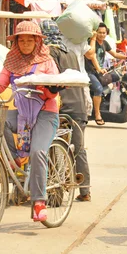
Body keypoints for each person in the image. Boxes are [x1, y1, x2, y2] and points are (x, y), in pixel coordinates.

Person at [0, 21, 61, 223]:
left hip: (45, 114)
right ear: (16, 42)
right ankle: (14, 161)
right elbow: (0, 83)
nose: (25, 44)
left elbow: (55, 85)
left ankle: (39, 201)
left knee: (38, 152)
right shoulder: (11, 61)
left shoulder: (47, 62)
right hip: (22, 113)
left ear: (37, 41)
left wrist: (51, 88)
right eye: (21, 40)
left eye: (29, 40)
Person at [44, 20, 92, 202]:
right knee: (78, 148)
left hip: (61, 106)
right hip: (79, 107)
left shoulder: (50, 53)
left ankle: (55, 193)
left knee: (53, 147)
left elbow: (52, 80)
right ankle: (85, 190)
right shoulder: (70, 52)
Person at [85, 23, 127, 126]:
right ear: (95, 33)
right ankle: (97, 114)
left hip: (99, 71)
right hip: (89, 72)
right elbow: (92, 56)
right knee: (98, 89)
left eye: (104, 33)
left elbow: (114, 54)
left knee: (116, 77)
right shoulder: (91, 43)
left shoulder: (105, 43)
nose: (102, 35)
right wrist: (99, 69)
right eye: (99, 32)